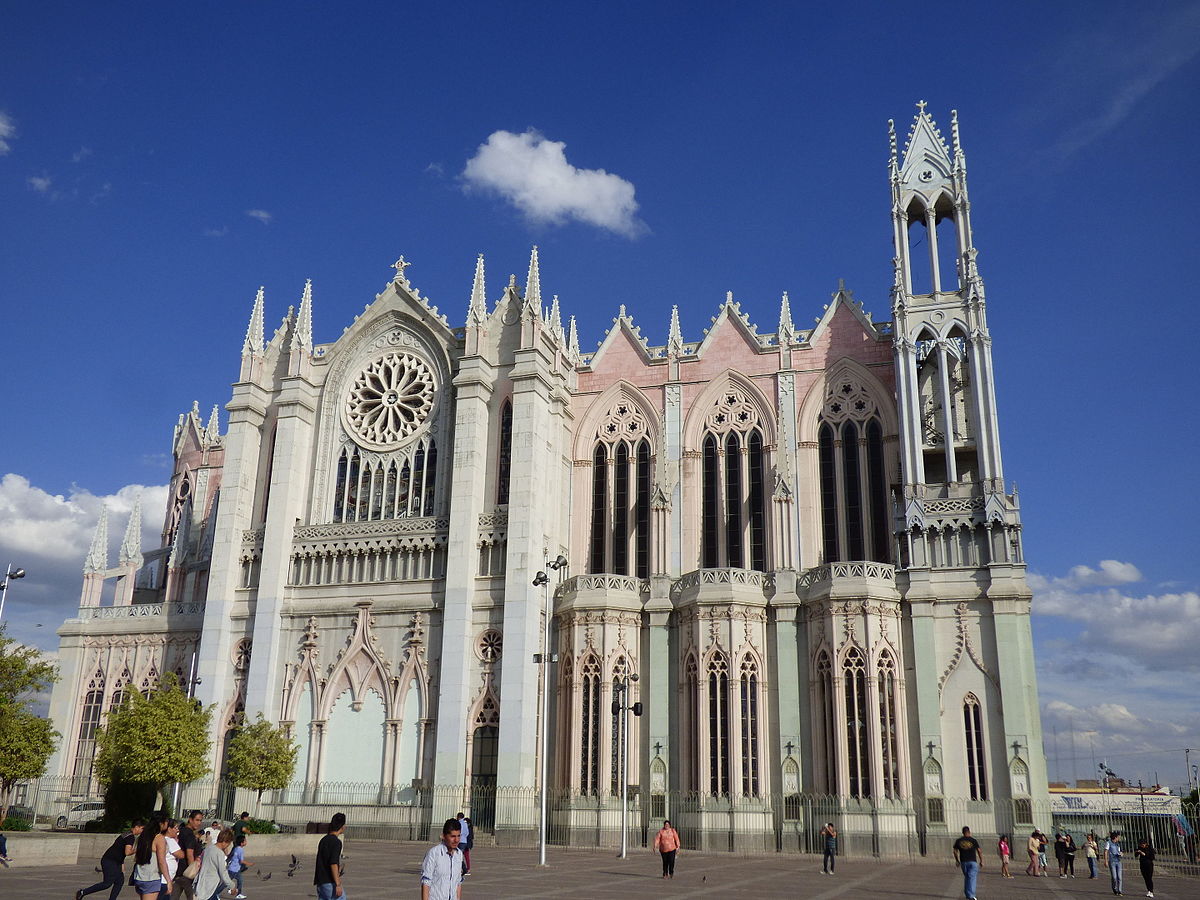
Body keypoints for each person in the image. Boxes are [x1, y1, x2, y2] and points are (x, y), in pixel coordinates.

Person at [76, 818, 145, 900]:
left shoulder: (126, 834)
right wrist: (138, 849)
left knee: (120, 881)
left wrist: (121, 864)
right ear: (136, 827)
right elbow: (127, 852)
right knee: (107, 883)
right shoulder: (130, 837)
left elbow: (119, 849)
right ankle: (82, 892)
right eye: (142, 828)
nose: (142, 831)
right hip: (110, 861)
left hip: (114, 861)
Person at [419, 817, 463, 900]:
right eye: (452, 836)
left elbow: (458, 883)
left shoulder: (459, 854)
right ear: (444, 836)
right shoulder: (434, 853)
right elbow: (426, 882)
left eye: (458, 836)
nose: (456, 840)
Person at [131, 813, 171, 899]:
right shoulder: (159, 838)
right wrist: (168, 880)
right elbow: (161, 861)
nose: (167, 824)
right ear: (161, 823)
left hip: (139, 875)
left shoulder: (142, 835)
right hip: (151, 877)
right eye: (166, 822)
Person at [193, 828, 235, 900]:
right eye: (229, 843)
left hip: (201, 882)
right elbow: (223, 872)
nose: (228, 846)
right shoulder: (219, 853)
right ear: (225, 842)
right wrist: (232, 886)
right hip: (210, 886)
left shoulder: (208, 848)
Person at [172, 810, 205, 900]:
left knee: (173, 896)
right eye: (197, 820)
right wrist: (193, 871)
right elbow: (189, 854)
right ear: (190, 820)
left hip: (178, 871)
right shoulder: (189, 835)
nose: (199, 823)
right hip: (186, 872)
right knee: (193, 897)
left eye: (200, 820)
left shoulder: (182, 831)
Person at [315, 812, 347, 900]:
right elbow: (333, 863)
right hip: (329, 881)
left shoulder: (324, 840)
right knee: (341, 898)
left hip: (320, 881)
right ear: (342, 827)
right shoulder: (336, 842)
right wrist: (338, 884)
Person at [952, 826, 983, 900]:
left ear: (962, 832)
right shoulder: (973, 840)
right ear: (969, 832)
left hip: (963, 862)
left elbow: (955, 851)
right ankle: (971, 896)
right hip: (972, 861)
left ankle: (967, 893)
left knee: (967, 877)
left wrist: (957, 860)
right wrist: (981, 860)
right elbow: (979, 851)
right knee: (972, 878)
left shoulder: (959, 841)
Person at [161, 820, 185, 895]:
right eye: (175, 828)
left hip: (163, 878)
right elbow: (181, 855)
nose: (177, 830)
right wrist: (176, 840)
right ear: (169, 829)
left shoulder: (162, 839)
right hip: (165, 879)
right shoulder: (170, 840)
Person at [227, 833, 251, 900]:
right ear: (242, 843)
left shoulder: (236, 848)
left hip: (233, 869)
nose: (246, 842)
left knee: (238, 881)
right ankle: (216, 893)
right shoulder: (240, 850)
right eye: (245, 841)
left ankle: (238, 894)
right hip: (234, 870)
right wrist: (249, 864)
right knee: (227, 882)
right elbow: (241, 861)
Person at [1104, 830, 1124, 896]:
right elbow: (1106, 851)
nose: (1118, 838)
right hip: (1112, 861)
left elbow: (1119, 851)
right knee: (1114, 877)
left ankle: (1120, 890)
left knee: (1120, 877)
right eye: (1118, 837)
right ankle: (1114, 888)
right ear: (1115, 837)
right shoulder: (1108, 843)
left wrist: (1121, 854)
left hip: (1118, 861)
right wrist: (1106, 861)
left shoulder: (1118, 844)